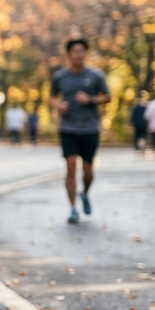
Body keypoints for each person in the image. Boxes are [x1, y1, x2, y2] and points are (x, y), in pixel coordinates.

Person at [49, 38, 111, 224]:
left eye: (82, 51)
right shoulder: (60, 77)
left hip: (90, 128)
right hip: (68, 128)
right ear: (69, 54)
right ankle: (73, 208)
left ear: (86, 54)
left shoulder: (95, 75)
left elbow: (108, 97)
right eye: (75, 51)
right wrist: (59, 106)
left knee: (87, 169)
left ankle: (84, 193)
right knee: (70, 165)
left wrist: (90, 100)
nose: (79, 54)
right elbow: (51, 98)